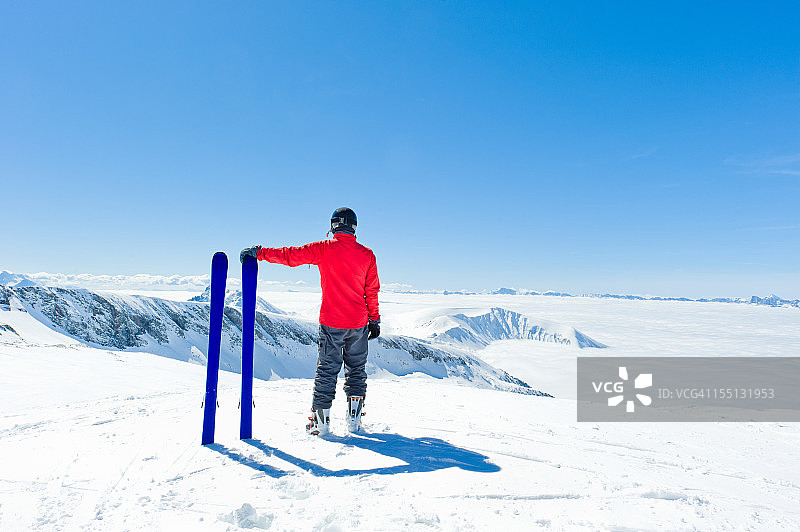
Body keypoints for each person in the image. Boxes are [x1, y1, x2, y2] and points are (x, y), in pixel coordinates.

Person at [240, 207, 380, 435]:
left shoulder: (323, 249)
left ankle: (320, 423)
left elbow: (290, 255)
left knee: (327, 371)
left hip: (332, 322)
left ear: (333, 225)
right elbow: (371, 290)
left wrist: (260, 252)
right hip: (358, 323)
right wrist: (374, 319)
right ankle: (354, 421)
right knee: (356, 371)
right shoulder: (367, 255)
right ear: (354, 226)